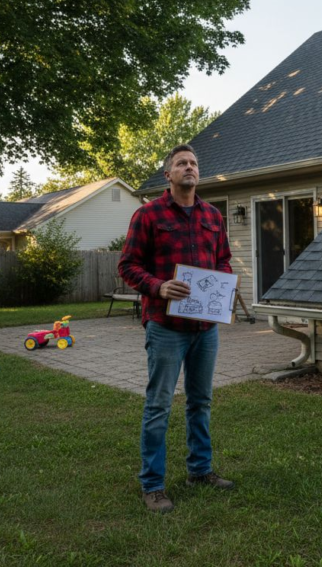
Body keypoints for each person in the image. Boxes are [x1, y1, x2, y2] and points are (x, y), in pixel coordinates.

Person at [118, 143, 234, 514]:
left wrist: (223, 289)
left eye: (194, 163)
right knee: (159, 406)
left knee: (200, 402)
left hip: (205, 327)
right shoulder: (147, 216)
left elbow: (224, 262)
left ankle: (200, 470)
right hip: (166, 326)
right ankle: (152, 485)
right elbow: (128, 265)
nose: (189, 167)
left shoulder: (213, 217)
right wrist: (158, 286)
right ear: (168, 175)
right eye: (181, 163)